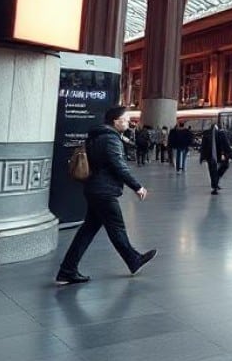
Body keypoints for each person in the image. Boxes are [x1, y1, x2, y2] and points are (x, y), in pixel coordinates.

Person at [56, 105, 157, 285]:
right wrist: (137, 186)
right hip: (104, 191)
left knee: (87, 231)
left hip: (94, 188)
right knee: (116, 228)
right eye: (125, 119)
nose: (128, 122)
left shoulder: (95, 136)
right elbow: (118, 165)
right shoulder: (111, 139)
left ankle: (67, 269)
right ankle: (133, 260)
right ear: (115, 121)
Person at [201, 124, 231, 195]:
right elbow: (204, 145)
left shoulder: (220, 133)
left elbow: (225, 144)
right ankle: (214, 186)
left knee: (215, 171)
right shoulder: (208, 134)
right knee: (213, 170)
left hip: (215, 155)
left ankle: (215, 182)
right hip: (211, 156)